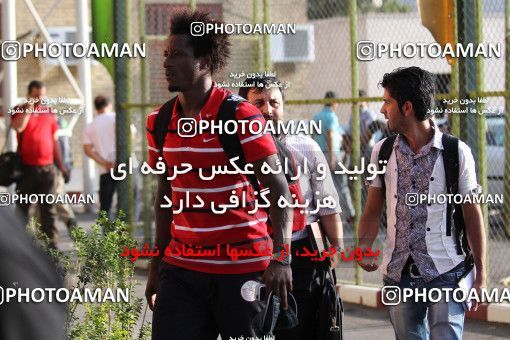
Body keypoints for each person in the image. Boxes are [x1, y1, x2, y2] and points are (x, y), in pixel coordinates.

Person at [144, 9, 293, 340]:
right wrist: (157, 262)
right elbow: (165, 195)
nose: (166, 62)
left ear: (205, 61)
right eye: (166, 54)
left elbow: (278, 189)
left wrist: (281, 258)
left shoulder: (240, 115)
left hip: (242, 269)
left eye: (178, 55)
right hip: (182, 268)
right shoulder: (159, 122)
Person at [358, 67, 487, 340]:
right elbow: (372, 208)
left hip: (447, 270)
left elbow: (473, 215)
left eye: (387, 102)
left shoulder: (456, 152)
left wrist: (482, 275)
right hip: (399, 272)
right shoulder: (381, 152)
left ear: (406, 107)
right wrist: (363, 246)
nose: (382, 109)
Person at [240, 76, 344, 340]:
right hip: (251, 257)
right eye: (258, 103)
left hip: (302, 256)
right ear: (244, 108)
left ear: (283, 107)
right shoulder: (233, 154)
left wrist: (336, 250)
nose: (267, 110)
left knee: (302, 329)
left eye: (274, 102)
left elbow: (327, 205)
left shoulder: (305, 148)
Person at [11, 80, 68, 248]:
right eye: (36, 95)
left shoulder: (48, 112)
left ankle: (52, 246)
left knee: (48, 209)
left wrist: (61, 165)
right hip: (27, 168)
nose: (40, 99)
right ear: (29, 94)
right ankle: (18, 244)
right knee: (23, 208)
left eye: (42, 95)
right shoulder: (19, 110)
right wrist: (29, 106)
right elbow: (19, 127)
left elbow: (54, 140)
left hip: (48, 168)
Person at [312, 91, 355, 223]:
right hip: (332, 154)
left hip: (318, 153)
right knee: (342, 185)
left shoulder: (317, 116)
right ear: (334, 103)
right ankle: (351, 214)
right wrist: (332, 158)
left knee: (322, 186)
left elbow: (314, 136)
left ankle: (326, 213)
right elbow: (330, 136)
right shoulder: (331, 116)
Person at [82, 96, 117, 217]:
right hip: (125, 166)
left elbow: (87, 149)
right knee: (129, 203)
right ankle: (127, 231)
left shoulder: (91, 125)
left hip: (105, 170)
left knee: (105, 206)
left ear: (96, 108)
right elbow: (132, 134)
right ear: (109, 105)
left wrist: (104, 162)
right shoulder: (116, 117)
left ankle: (107, 235)